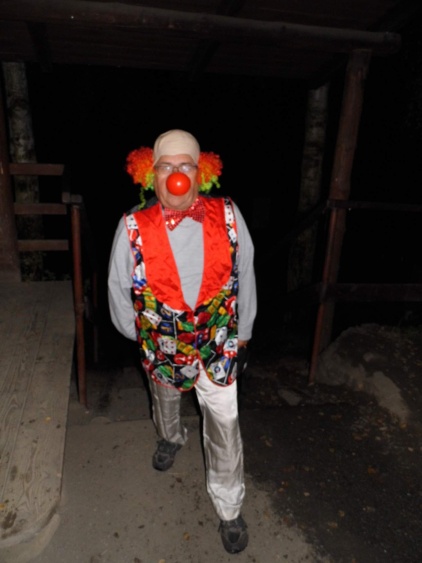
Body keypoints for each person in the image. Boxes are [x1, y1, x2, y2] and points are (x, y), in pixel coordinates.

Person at [107, 129, 257, 554]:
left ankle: (229, 507)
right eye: (166, 167)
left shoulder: (229, 213)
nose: (176, 175)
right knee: (165, 400)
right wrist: (142, 336)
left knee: (226, 425)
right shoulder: (132, 225)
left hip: (219, 341)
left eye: (185, 165)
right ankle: (171, 438)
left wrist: (244, 334)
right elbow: (118, 287)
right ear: (150, 175)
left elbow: (246, 272)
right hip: (162, 344)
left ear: (201, 172)